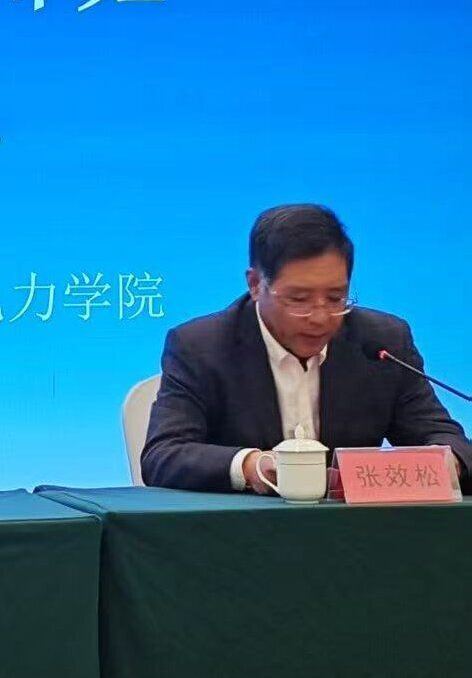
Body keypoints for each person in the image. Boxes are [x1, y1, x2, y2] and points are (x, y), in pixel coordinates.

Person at [142, 204, 472, 493]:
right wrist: (252, 466)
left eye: (336, 298)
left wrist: (449, 463)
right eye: (299, 299)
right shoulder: (200, 346)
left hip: (357, 535)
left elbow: (444, 438)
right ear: (255, 285)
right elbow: (163, 454)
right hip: (242, 533)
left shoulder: (384, 341)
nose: (320, 317)